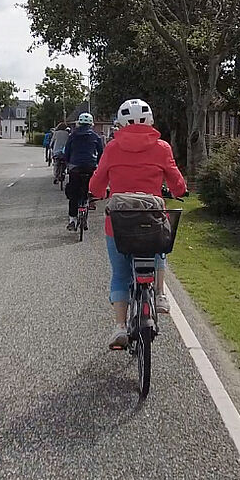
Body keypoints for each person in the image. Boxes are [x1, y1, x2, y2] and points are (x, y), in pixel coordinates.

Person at [87, 98, 187, 349]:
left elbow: (97, 184)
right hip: (151, 220)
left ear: (120, 123)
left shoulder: (112, 147)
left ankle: (120, 327)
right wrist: (179, 190)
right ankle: (161, 296)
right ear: (150, 120)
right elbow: (177, 182)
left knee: (120, 275)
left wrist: (97, 192)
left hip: (118, 224)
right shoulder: (162, 147)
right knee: (159, 245)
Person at [62, 112, 104, 229]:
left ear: (79, 123)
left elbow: (67, 153)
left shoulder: (73, 136)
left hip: (75, 167)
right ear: (91, 124)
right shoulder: (96, 137)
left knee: (73, 193)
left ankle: (72, 220)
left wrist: (68, 164)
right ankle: (88, 202)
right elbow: (101, 153)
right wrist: (99, 166)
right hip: (90, 166)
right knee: (89, 189)